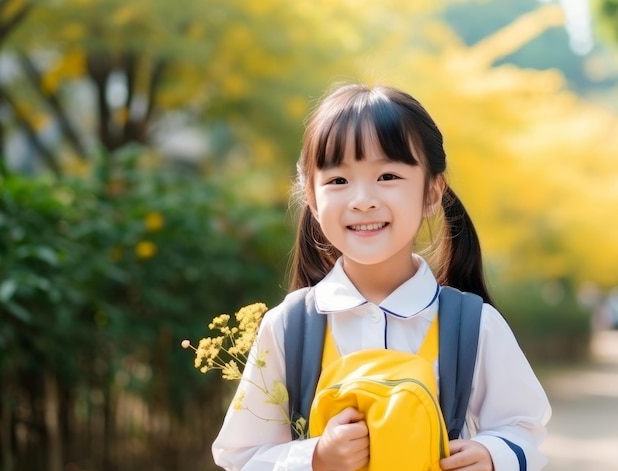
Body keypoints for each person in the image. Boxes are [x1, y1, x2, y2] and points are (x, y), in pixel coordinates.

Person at [212, 83, 551, 470]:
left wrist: (493, 455)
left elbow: (523, 427)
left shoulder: (473, 325)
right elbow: (239, 456)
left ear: (432, 192)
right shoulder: (288, 327)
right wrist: (316, 458)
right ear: (312, 197)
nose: (362, 199)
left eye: (387, 176)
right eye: (338, 180)